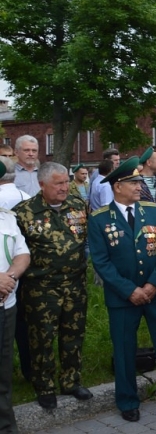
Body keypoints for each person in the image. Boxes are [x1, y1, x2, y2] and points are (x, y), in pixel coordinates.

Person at [87, 156, 156, 422]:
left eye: (140, 181)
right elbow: (101, 261)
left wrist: (153, 283)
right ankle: (128, 400)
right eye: (134, 182)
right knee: (124, 349)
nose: (140, 186)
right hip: (123, 298)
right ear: (118, 186)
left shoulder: (151, 211)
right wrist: (129, 290)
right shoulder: (99, 219)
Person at [13, 162, 92, 409]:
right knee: (42, 338)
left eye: (66, 182)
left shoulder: (78, 205)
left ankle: (71, 381)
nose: (64, 187)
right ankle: (44, 385)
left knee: (73, 334)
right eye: (58, 183)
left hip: (75, 284)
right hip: (41, 288)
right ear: (42, 184)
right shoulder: (24, 212)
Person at [0, 159, 31, 433]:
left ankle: (6, 426)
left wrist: (9, 277)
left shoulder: (7, 218)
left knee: (3, 371)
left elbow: (22, 253)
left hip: (6, 305)